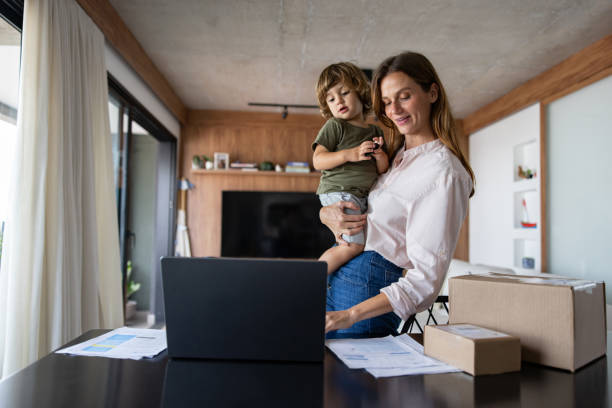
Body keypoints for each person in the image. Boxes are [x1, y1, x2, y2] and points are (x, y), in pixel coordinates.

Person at [321, 52, 475, 338]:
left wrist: (350, 314)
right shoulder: (396, 158)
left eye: (404, 96)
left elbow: (426, 280)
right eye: (387, 102)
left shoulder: (443, 172)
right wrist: (325, 213)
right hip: (341, 283)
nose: (394, 110)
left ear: (432, 92)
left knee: (346, 382)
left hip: (363, 299)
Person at [312, 62, 389, 275]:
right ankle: (311, 278)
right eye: (331, 99)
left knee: (352, 243)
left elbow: (382, 170)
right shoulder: (335, 126)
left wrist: (381, 155)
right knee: (353, 246)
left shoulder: (375, 130)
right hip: (339, 191)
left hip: (359, 195)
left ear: (360, 92)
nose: (339, 101)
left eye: (345, 92)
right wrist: (350, 154)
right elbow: (318, 160)